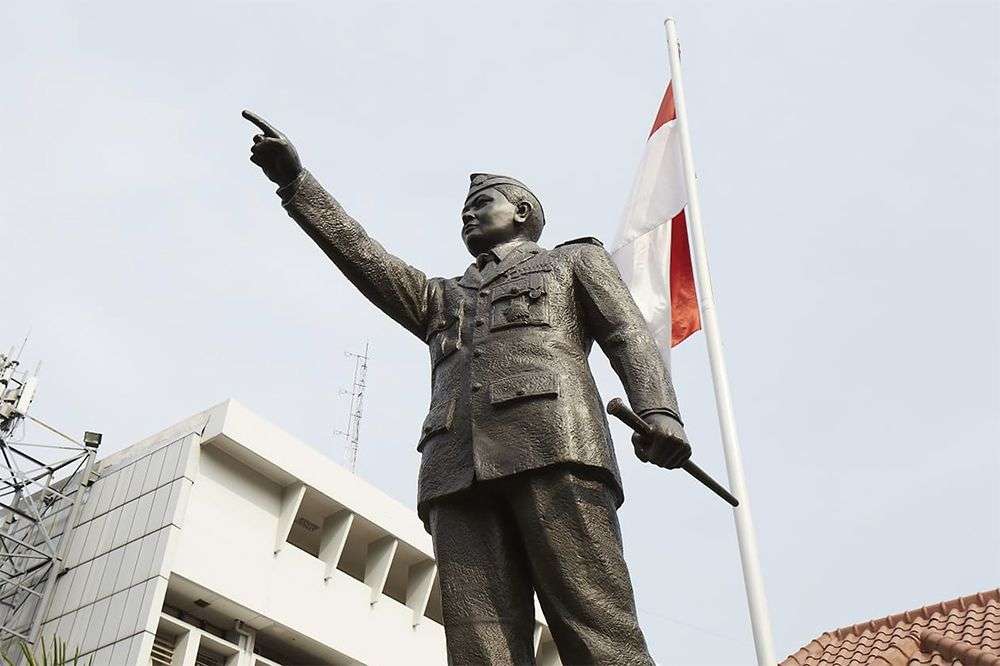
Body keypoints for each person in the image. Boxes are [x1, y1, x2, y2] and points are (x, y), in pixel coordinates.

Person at [243, 110, 692, 665]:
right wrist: (297, 183)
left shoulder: (572, 262)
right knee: (480, 648)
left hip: (556, 445)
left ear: (523, 213)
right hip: (455, 468)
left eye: (482, 205)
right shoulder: (441, 296)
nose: (468, 215)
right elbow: (363, 255)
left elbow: (627, 332)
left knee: (595, 623)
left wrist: (660, 411)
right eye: (463, 212)